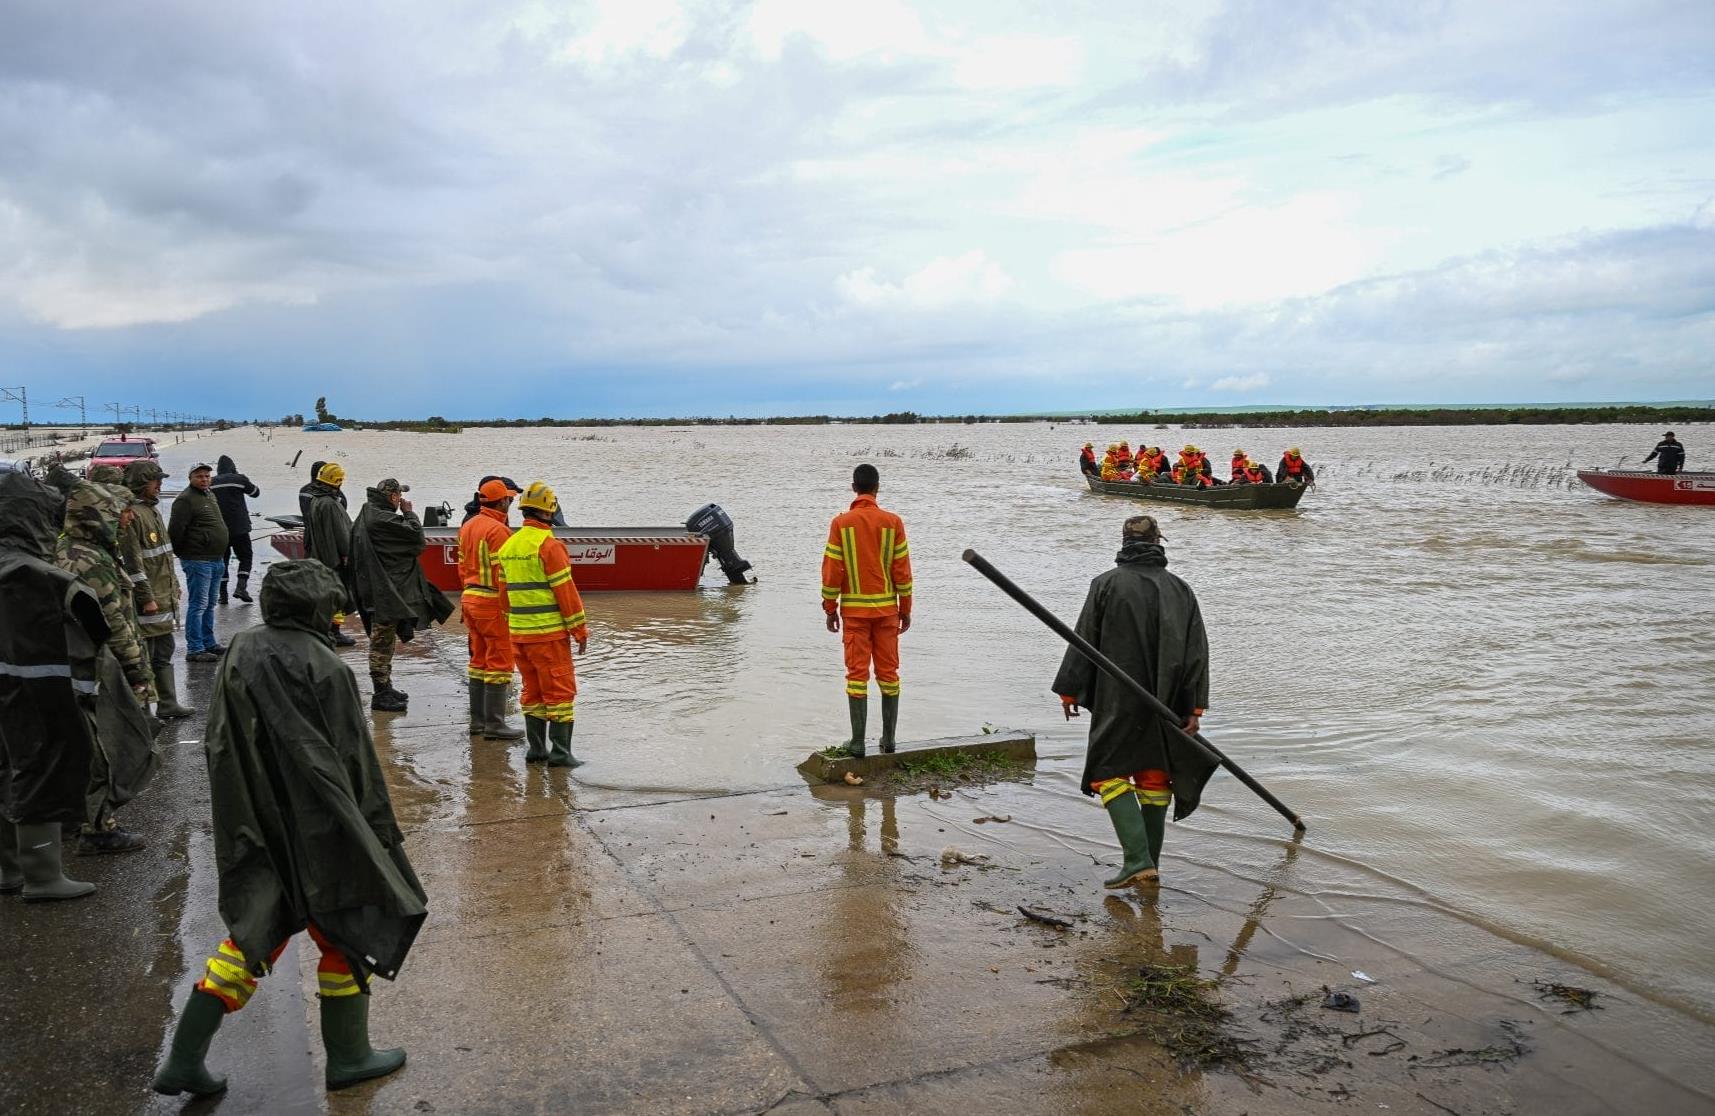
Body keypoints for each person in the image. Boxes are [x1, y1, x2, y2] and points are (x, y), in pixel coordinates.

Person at [151, 561, 427, 1098]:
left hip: (257, 817)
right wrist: (376, 831)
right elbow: (353, 761)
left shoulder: (244, 647)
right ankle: (349, 1056)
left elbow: (224, 739)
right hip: (320, 824)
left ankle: (183, 1059)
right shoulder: (327, 667)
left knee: (258, 929)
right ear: (319, 608)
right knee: (347, 924)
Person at [1054, 515, 1218, 888]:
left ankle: (1138, 861)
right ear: (1158, 542)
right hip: (1168, 699)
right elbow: (1197, 652)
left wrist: (1070, 689)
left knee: (1106, 771)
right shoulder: (1180, 590)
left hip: (1118, 699)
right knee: (1154, 776)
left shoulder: (1106, 584)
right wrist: (1194, 707)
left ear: (1124, 542)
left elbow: (1084, 638)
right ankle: (1149, 866)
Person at [0, 470, 106, 901]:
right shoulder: (40, 575)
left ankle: (8, 869)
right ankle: (43, 876)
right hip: (37, 694)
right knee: (40, 769)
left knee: (5, 770)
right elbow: (94, 628)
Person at [56, 480, 160, 855]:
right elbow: (113, 622)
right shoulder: (89, 560)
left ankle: (78, 821)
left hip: (80, 664)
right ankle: (98, 829)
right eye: (117, 514)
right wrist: (137, 670)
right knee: (106, 749)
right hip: (99, 666)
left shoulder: (69, 550)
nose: (125, 519)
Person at [820, 463, 913, 757]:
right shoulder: (893, 523)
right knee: (889, 674)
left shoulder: (841, 524)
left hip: (855, 615)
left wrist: (830, 608)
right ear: (877, 488)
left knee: (857, 675)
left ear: (854, 488)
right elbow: (902, 571)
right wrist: (906, 608)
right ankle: (889, 740)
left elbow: (832, 572)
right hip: (887, 613)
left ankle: (858, 742)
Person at [496, 483, 589, 766]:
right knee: (560, 693)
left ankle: (536, 750)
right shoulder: (550, 546)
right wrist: (579, 630)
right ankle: (561, 753)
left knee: (532, 692)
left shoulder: (509, 546)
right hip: (548, 636)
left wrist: (513, 625)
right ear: (549, 511)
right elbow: (566, 593)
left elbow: (504, 595)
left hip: (519, 636)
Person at [350, 478, 453, 714]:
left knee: (385, 639)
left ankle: (386, 686)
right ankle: (380, 694)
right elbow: (416, 539)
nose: (401, 500)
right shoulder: (383, 519)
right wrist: (409, 513)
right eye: (399, 496)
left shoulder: (367, 513)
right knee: (381, 641)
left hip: (377, 586)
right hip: (385, 590)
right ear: (393, 497)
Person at [123, 460, 192, 719]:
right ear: (143, 483)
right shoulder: (133, 515)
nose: (160, 485)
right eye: (156, 481)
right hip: (149, 600)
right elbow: (133, 563)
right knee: (144, 656)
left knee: (164, 650)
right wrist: (146, 597)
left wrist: (175, 585)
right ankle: (144, 713)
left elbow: (163, 556)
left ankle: (168, 703)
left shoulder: (152, 511)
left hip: (164, 595)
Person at [458, 478, 524, 739]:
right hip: (492, 601)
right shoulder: (499, 531)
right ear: (502, 501)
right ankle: (495, 725)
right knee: (500, 661)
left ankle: (478, 722)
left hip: (470, 599)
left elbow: (461, 568)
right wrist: (509, 608)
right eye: (509, 499)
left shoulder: (468, 526)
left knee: (478, 661)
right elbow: (504, 575)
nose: (511, 503)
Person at [168, 462, 230, 662]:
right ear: (190, 478)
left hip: (216, 558)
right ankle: (195, 649)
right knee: (199, 604)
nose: (204, 479)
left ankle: (208, 642)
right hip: (198, 560)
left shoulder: (209, 495)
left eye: (207, 476)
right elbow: (175, 532)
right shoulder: (185, 500)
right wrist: (185, 553)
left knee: (210, 604)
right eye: (199, 476)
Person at [303, 463, 357, 647]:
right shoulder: (330, 504)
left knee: (326, 596)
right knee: (339, 596)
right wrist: (349, 554)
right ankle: (334, 632)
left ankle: (325, 630)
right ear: (337, 481)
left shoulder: (315, 500)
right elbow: (342, 533)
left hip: (320, 556)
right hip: (334, 559)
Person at [211, 455, 260, 604]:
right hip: (240, 528)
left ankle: (223, 595)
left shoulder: (211, 482)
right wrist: (241, 478)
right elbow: (255, 493)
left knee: (222, 561)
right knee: (246, 557)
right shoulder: (239, 479)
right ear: (232, 467)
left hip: (219, 529)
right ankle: (241, 587)